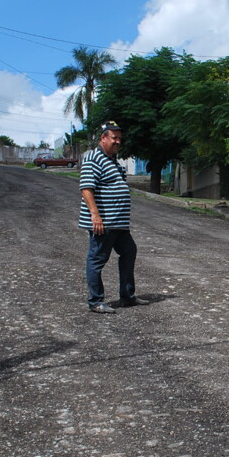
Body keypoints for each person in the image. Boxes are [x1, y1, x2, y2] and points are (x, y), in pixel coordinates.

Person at [79, 120, 149, 314]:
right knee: (97, 259)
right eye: (113, 138)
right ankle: (96, 301)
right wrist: (95, 216)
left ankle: (127, 296)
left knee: (129, 251)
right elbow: (86, 189)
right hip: (104, 222)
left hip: (118, 223)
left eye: (119, 138)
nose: (117, 141)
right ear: (103, 137)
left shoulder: (111, 160)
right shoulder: (93, 158)